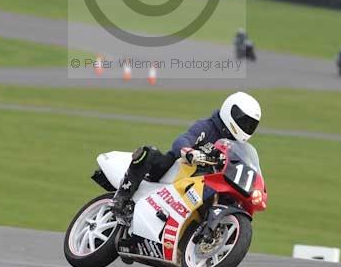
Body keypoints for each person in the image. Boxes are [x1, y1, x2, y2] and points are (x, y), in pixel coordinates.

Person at [112, 91, 262, 224]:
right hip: (176, 170)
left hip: (204, 183)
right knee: (148, 152)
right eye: (244, 121)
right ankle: (121, 198)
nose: (247, 127)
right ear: (230, 111)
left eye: (251, 124)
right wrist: (189, 151)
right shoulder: (208, 127)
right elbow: (183, 139)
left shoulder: (236, 147)